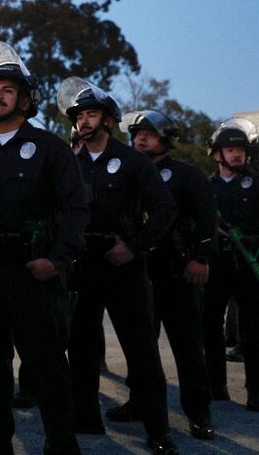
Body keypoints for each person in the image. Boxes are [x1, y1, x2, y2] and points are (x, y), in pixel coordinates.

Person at [0, 42, 88, 455]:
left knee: (46, 367)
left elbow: (77, 210)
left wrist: (58, 261)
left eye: (6, 89)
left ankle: (62, 443)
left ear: (25, 99)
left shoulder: (50, 148)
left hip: (35, 271)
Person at [58, 77, 179, 454]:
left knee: (141, 349)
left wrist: (136, 246)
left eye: (93, 114)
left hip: (124, 265)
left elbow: (165, 209)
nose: (85, 121)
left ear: (108, 120)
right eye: (80, 116)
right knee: (80, 348)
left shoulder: (133, 161)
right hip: (83, 265)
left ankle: (158, 431)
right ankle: (85, 418)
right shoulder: (68, 163)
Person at [103, 110, 214, 439]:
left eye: (149, 134)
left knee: (188, 346)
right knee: (140, 348)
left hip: (177, 274)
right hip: (137, 274)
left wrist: (201, 258)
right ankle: (140, 403)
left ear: (166, 138)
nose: (141, 138)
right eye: (137, 134)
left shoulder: (186, 175)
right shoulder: (125, 171)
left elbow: (206, 218)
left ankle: (199, 412)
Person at [203, 117, 259, 412]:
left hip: (249, 262)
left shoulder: (256, 182)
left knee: (253, 326)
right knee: (210, 323)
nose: (237, 154)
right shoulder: (204, 186)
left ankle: (256, 390)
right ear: (217, 154)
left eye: (241, 150)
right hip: (216, 261)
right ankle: (216, 385)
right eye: (230, 150)